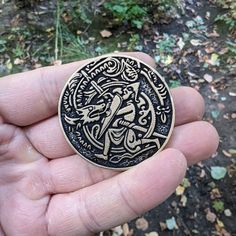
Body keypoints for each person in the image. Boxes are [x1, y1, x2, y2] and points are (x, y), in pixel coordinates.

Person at [0, 52, 219, 236]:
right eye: (122, 92)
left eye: (126, 92)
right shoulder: (113, 103)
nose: (123, 93)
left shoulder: (129, 107)